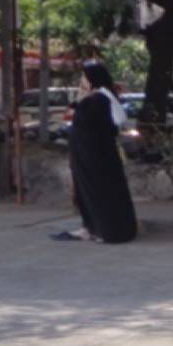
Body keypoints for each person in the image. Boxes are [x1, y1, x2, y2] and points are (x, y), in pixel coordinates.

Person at [51, 62, 138, 243]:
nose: (81, 81)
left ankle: (103, 230)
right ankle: (90, 227)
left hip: (95, 157)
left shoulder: (100, 98)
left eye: (84, 77)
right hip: (87, 155)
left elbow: (111, 121)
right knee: (86, 192)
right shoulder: (95, 98)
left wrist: (82, 101)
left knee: (98, 192)